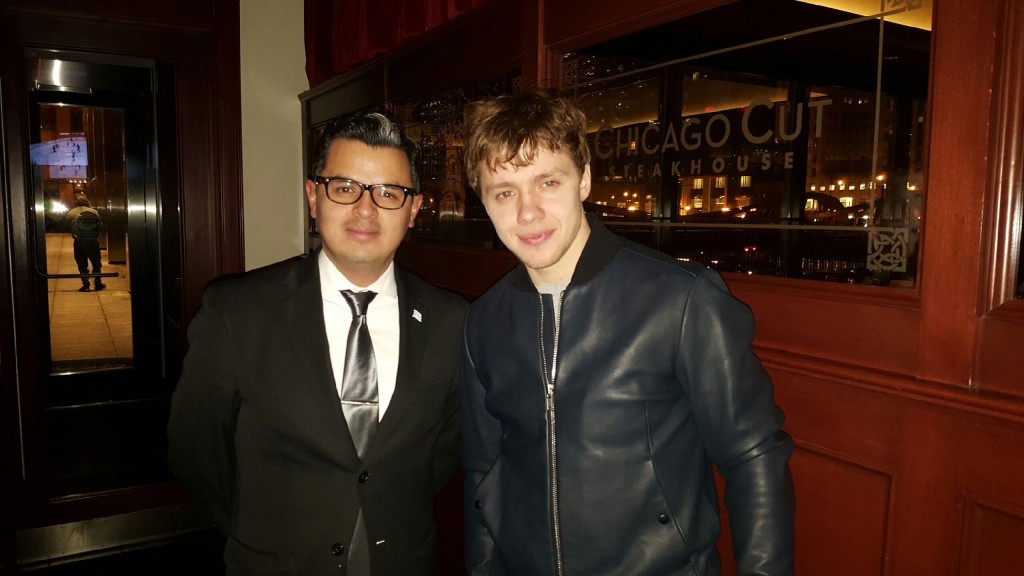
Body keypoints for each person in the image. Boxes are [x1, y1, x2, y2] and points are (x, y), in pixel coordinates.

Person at [459, 89, 795, 576]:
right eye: (504, 192)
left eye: (548, 182)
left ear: (583, 180)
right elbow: (483, 472)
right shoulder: (483, 321)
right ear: (484, 202)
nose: (527, 212)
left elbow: (754, 455)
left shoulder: (680, 299)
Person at [168, 109, 467, 576]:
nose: (365, 209)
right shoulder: (237, 313)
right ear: (313, 197)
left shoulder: (452, 321)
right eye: (344, 188)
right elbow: (197, 452)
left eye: (388, 192)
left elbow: (443, 453)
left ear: (413, 210)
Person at [66, 194, 105, 292]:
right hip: (92, 241)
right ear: (87, 203)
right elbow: (100, 225)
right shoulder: (94, 212)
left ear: (77, 203)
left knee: (82, 263)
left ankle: (86, 284)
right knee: (96, 262)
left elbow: (67, 225)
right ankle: (98, 282)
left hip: (79, 241)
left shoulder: (72, 212)